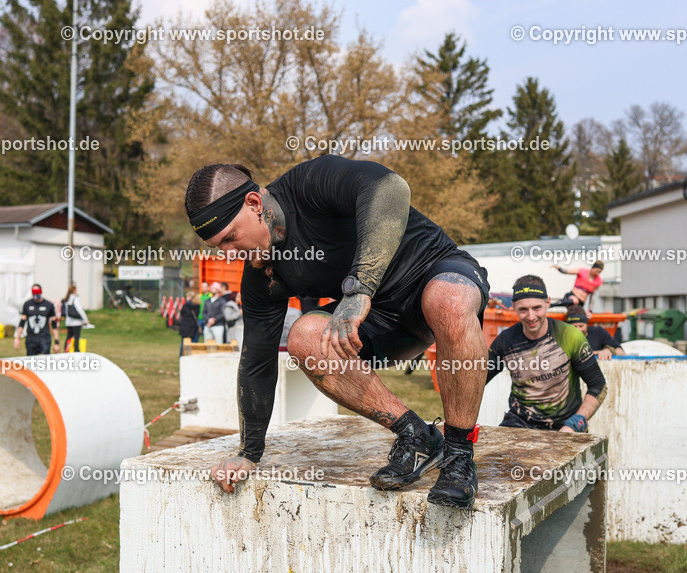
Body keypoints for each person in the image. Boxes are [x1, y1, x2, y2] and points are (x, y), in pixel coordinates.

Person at [186, 157, 491, 508]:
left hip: (436, 277)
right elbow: (257, 359)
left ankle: (458, 454)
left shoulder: (310, 184)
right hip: (384, 325)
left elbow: (393, 188)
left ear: (254, 204)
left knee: (447, 299)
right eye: (217, 248)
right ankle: (417, 436)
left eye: (230, 238)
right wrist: (249, 453)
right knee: (304, 337)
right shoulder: (262, 274)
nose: (228, 254)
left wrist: (360, 289)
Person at [486, 275, 606, 432]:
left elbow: (599, 386)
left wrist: (575, 423)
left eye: (537, 308)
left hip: (564, 425)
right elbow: (477, 380)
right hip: (519, 423)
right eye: (523, 309)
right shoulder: (505, 340)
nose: (531, 317)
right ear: (514, 307)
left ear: (548, 303)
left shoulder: (570, 336)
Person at [14, 284, 59, 355]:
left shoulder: (48, 305)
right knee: (31, 362)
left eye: (37, 292)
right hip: (31, 339)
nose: (35, 295)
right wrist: (17, 338)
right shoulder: (27, 304)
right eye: (33, 292)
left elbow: (54, 325)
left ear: (41, 292)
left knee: (43, 362)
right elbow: (22, 323)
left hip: (44, 338)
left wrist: (56, 342)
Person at [61, 285, 89, 352]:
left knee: (69, 337)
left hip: (68, 322)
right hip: (76, 322)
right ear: (74, 291)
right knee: (77, 337)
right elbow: (79, 309)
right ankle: (76, 351)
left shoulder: (67, 299)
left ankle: (66, 350)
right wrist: (85, 319)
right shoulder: (75, 298)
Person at [178, 292, 201, 356]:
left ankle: (182, 356)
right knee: (193, 343)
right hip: (194, 326)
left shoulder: (186, 305)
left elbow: (182, 313)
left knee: (184, 343)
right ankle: (192, 356)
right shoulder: (197, 305)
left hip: (186, 325)